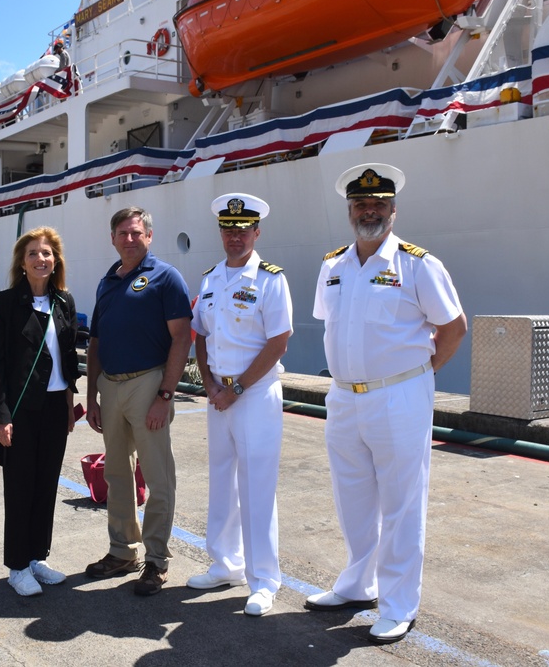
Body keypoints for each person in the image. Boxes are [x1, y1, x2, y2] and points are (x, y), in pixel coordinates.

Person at [308, 164, 467, 644]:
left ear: (393, 210)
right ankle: (358, 584)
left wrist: (419, 375)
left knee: (401, 503)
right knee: (353, 498)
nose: (369, 211)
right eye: (361, 204)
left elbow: (454, 328)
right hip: (343, 396)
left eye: (378, 204)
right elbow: (333, 326)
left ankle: (399, 605)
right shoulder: (332, 265)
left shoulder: (419, 265)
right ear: (350, 210)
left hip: (399, 395)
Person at [186, 194, 293, 617]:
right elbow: (199, 335)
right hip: (219, 396)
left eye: (243, 229)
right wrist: (210, 383)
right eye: (228, 229)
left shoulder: (270, 279)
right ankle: (226, 563)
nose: (235, 236)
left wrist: (237, 389)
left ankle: (264, 579)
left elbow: (279, 341)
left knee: (257, 486)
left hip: (255, 396)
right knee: (222, 481)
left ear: (256, 232)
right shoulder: (211, 278)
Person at [85, 207, 192, 596]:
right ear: (112, 238)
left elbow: (183, 337)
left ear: (149, 236)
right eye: (122, 233)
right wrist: (91, 393)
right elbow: (95, 340)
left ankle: (157, 560)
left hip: (149, 382)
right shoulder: (106, 283)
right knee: (116, 473)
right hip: (110, 386)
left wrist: (165, 395)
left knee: (158, 476)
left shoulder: (165, 277)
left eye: (136, 233)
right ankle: (121, 551)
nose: (129, 239)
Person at [0, 227, 80, 597]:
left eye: (47, 253)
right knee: (20, 487)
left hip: (56, 406)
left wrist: (71, 403)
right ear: (22, 264)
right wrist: (2, 415)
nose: (42, 259)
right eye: (33, 254)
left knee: (46, 485)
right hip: (22, 410)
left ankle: (38, 557)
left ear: (55, 260)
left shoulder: (64, 302)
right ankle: (17, 565)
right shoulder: (5, 303)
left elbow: (68, 358)